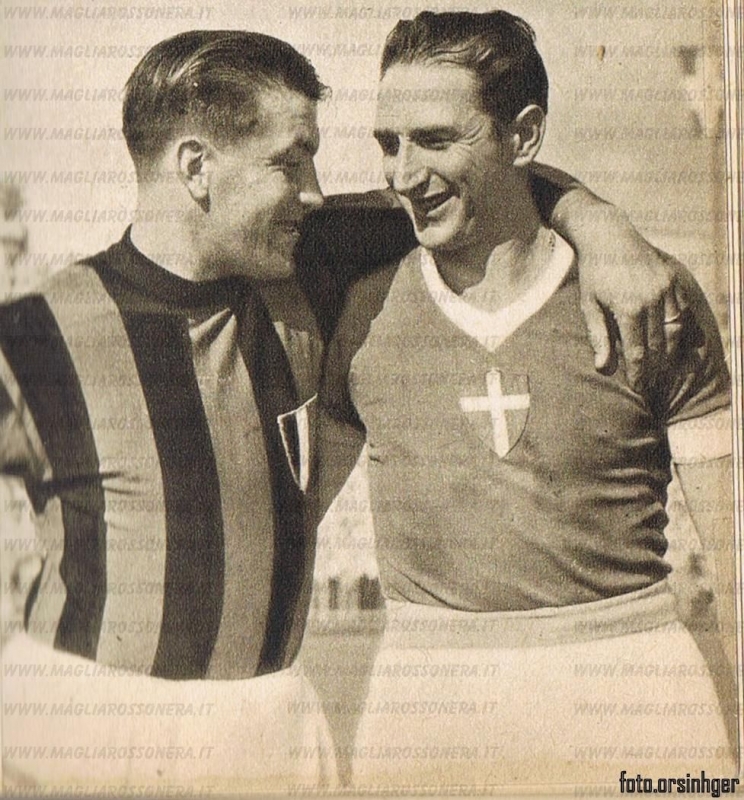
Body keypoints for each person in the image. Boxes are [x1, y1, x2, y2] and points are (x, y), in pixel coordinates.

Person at [0, 25, 709, 795]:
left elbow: (496, 183)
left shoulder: (318, 264)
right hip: (88, 726)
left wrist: (601, 226)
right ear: (196, 167)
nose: (314, 189)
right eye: (290, 159)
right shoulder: (34, 334)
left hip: (273, 726)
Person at [318, 10, 736, 789]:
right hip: (427, 698)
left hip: (632, 685)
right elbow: (288, 522)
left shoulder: (649, 296)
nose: (403, 173)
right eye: (388, 143)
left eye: (435, 139)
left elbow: (734, 551)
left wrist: (593, 222)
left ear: (525, 135)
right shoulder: (360, 307)